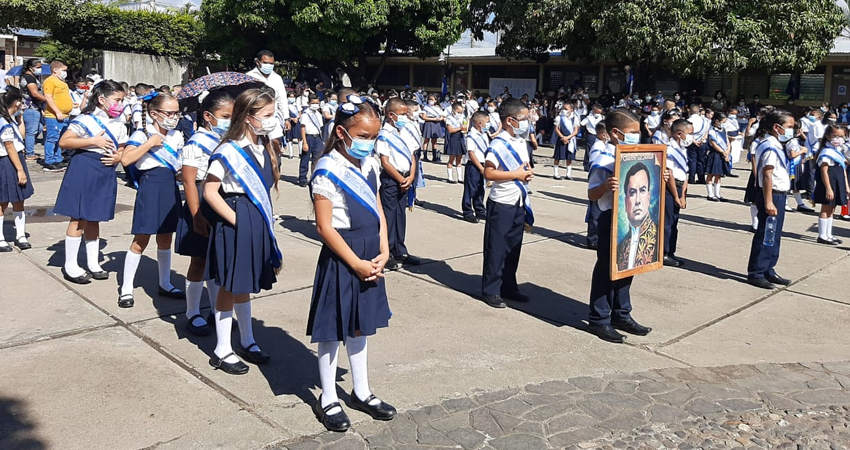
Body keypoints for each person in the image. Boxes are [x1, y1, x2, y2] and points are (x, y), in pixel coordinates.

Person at [307, 96, 396, 433]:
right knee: (332, 329)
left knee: (361, 325)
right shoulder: (327, 168)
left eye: (374, 137)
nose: (369, 143)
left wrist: (384, 249)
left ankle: (361, 391)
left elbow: (378, 210)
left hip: (371, 250)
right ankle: (328, 396)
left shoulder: (370, 164)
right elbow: (324, 226)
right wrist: (356, 263)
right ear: (342, 133)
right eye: (363, 136)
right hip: (344, 253)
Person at [204, 89, 282, 375]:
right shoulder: (229, 150)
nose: (273, 121)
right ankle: (222, 349)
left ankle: (247, 340)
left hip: (255, 215)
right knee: (229, 285)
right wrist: (237, 220)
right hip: (236, 216)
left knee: (245, 283)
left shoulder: (264, 146)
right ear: (249, 118)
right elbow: (210, 191)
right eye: (267, 116)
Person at [587, 109, 661, 344]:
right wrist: (606, 186)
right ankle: (599, 318)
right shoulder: (604, 159)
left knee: (629, 266)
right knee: (606, 270)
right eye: (633, 133)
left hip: (632, 220)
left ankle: (621, 313)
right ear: (616, 133)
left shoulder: (635, 155)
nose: (637, 136)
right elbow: (591, 194)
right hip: (611, 219)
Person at [54, 80, 128, 283]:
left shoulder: (120, 124)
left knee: (95, 216)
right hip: (85, 167)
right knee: (78, 217)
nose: (120, 104)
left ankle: (93, 262)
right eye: (117, 100)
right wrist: (92, 141)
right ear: (102, 99)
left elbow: (122, 147)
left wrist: (118, 157)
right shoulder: (85, 120)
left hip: (105, 169)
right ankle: (70, 265)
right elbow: (65, 141)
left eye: (122, 100)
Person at [117, 92, 185, 308]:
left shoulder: (177, 135)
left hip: (170, 186)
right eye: (169, 113)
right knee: (142, 237)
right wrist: (150, 144)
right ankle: (126, 288)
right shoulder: (142, 134)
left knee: (166, 237)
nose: (174, 117)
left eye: (176, 113)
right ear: (154, 113)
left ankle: (164, 283)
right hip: (150, 186)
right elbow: (126, 159)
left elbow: (178, 164)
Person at [176, 90, 234, 335]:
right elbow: (189, 181)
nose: (230, 120)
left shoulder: (225, 140)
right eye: (225, 115)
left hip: (219, 200)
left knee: (217, 258)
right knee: (199, 260)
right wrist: (197, 215)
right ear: (209, 116)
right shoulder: (196, 142)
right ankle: (192, 312)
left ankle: (214, 308)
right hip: (199, 202)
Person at [480, 98, 534, 308]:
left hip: (518, 200)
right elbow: (489, 172)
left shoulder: (520, 141)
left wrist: (525, 173)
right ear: (510, 120)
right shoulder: (498, 144)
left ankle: (509, 285)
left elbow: (522, 167)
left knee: (513, 247)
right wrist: (517, 175)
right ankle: (490, 289)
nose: (527, 122)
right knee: (497, 247)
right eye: (524, 119)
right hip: (502, 202)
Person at [746, 110, 795, 290]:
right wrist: (768, 201)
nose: (791, 130)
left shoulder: (776, 143)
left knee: (774, 234)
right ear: (777, 127)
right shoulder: (769, 145)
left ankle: (768, 268)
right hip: (771, 194)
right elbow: (767, 175)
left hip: (779, 194)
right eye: (789, 127)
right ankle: (756, 272)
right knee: (766, 233)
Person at [376, 98, 421, 270]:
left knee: (400, 215)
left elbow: (412, 156)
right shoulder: (384, 135)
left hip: (406, 178)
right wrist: (400, 179)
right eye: (402, 114)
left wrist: (410, 176)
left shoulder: (403, 132)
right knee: (389, 216)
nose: (405, 117)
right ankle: (386, 251)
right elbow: (385, 162)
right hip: (391, 179)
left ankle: (400, 249)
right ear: (391, 115)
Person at [0, 88, 34, 252]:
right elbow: (10, 147)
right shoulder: (3, 122)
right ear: (16, 102)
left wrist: (20, 119)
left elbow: (20, 136)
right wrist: (20, 170)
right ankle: (0, 238)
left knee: (19, 199)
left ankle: (20, 235)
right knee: (2, 200)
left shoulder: (10, 119)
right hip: (7, 161)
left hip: (15, 158)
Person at [615, 162, 659, 271]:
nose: (638, 201)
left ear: (648, 197)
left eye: (642, 191)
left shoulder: (658, 237)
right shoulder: (620, 247)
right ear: (626, 202)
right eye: (633, 193)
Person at [813, 124, 849, 245]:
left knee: (832, 209)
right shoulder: (826, 152)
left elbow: (843, 169)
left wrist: (847, 186)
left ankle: (829, 234)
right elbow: (824, 171)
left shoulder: (837, 151)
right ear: (828, 136)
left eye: (841, 136)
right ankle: (822, 235)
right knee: (826, 208)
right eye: (835, 136)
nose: (838, 139)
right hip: (829, 183)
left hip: (838, 182)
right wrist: (828, 188)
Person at [663, 119, 692, 268]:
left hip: (681, 188)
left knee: (674, 222)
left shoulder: (682, 149)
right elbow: (670, 173)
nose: (691, 137)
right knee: (667, 222)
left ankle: (671, 252)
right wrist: (675, 195)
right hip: (670, 189)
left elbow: (685, 173)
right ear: (680, 134)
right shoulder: (669, 149)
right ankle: (665, 253)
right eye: (689, 134)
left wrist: (683, 195)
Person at [585, 123, 609, 250]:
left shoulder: (603, 145)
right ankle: (592, 238)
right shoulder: (598, 147)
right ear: (603, 135)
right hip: (598, 183)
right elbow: (595, 166)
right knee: (595, 213)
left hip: (604, 184)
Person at [462, 111, 489, 223]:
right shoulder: (471, 136)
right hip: (474, 165)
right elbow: (471, 154)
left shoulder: (484, 134)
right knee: (470, 189)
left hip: (484, 164)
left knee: (480, 188)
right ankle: (467, 211)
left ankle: (480, 209)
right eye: (487, 123)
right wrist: (480, 168)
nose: (488, 125)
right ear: (480, 123)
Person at [245, 50, 288, 117]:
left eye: (271, 64)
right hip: (254, 118)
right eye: (265, 63)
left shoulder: (277, 78)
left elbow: (282, 99)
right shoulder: (249, 77)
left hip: (274, 117)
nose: (268, 66)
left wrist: (286, 118)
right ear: (257, 62)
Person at [18, 59, 45, 162]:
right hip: (31, 108)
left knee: (39, 128)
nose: (40, 69)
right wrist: (49, 100)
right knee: (31, 131)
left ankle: (26, 147)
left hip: (33, 108)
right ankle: (30, 153)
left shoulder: (31, 77)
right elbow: (34, 93)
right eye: (38, 67)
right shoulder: (29, 78)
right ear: (31, 68)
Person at [299, 94, 324, 187]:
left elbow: (321, 127)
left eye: (317, 103)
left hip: (317, 137)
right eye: (313, 103)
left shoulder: (318, 114)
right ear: (309, 103)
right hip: (308, 137)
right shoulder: (306, 114)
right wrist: (304, 142)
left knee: (317, 159)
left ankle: (314, 177)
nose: (315, 105)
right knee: (305, 158)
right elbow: (302, 128)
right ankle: (302, 178)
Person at [705, 112, 730, 201]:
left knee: (718, 175)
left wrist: (727, 151)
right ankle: (710, 194)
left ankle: (717, 194)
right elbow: (713, 143)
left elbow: (727, 141)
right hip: (714, 154)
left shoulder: (723, 130)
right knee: (711, 174)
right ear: (717, 121)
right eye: (723, 121)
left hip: (723, 154)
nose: (724, 123)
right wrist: (723, 152)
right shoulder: (712, 131)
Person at [553, 102, 580, 180]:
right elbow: (556, 129)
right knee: (558, 156)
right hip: (561, 138)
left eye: (566, 109)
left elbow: (576, 131)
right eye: (563, 109)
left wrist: (568, 137)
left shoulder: (575, 118)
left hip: (570, 140)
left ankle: (568, 174)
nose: (564, 110)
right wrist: (562, 137)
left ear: (571, 109)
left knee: (569, 157)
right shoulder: (559, 118)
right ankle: (556, 173)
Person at [444, 102, 466, 183]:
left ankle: (460, 177)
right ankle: (450, 177)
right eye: (458, 112)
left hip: (460, 138)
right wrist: (460, 128)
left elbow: (465, 126)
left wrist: (464, 129)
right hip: (453, 138)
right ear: (453, 111)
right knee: (451, 159)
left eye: (461, 112)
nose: (460, 114)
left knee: (459, 159)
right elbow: (450, 130)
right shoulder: (449, 118)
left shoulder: (462, 117)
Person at [686, 104, 709, 185]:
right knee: (701, 160)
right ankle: (701, 178)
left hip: (692, 142)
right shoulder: (704, 120)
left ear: (690, 110)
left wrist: (694, 141)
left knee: (692, 160)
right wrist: (703, 139)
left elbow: (687, 133)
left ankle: (691, 178)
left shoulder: (689, 120)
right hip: (702, 142)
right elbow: (707, 131)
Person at [420, 94, 444, 162]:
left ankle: (434, 157)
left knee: (434, 141)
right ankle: (425, 156)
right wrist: (433, 119)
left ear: (436, 100)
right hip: (428, 123)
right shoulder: (426, 107)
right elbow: (424, 117)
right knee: (426, 140)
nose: (430, 101)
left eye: (432, 100)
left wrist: (440, 119)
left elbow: (442, 116)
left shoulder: (438, 108)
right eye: (429, 99)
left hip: (436, 124)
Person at [285, 91, 302, 159]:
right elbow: (285, 114)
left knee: (299, 138)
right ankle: (291, 154)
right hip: (290, 122)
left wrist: (297, 118)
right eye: (290, 97)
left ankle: (300, 152)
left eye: (293, 97)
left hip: (297, 121)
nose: (292, 98)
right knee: (290, 138)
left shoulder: (296, 104)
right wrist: (292, 119)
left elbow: (300, 113)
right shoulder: (286, 105)